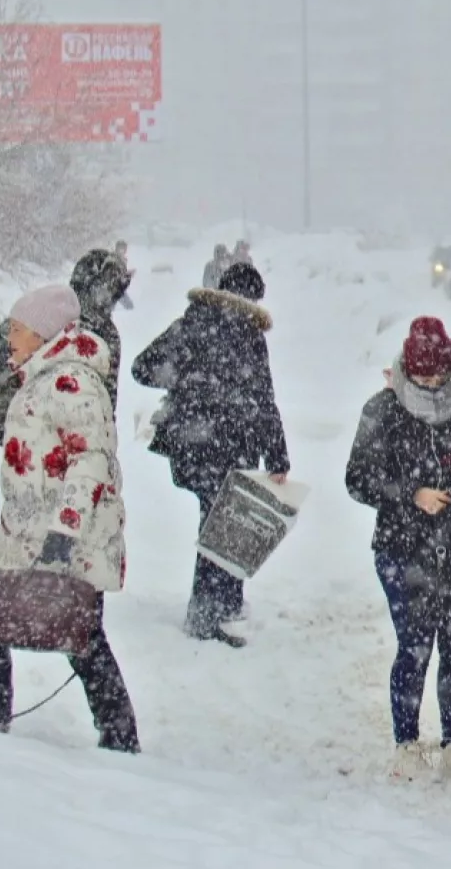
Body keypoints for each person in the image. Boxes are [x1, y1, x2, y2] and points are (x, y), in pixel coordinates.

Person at [0, 284, 139, 753]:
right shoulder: (44, 374)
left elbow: (91, 460)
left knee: (80, 634)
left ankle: (113, 733)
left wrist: (65, 530)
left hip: (61, 531)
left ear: (41, 333)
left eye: (17, 330)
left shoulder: (70, 381)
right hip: (26, 527)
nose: (10, 339)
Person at [345, 317, 451, 784]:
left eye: (440, 376)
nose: (434, 384)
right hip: (404, 548)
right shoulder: (383, 409)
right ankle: (407, 743)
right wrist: (411, 492)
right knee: (415, 646)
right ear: (407, 371)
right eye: (425, 377)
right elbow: (358, 479)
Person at [132, 262, 289, 647]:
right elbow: (264, 399)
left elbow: (142, 368)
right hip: (231, 443)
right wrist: (278, 457)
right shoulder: (250, 334)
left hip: (193, 444)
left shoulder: (192, 321)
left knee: (219, 520)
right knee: (225, 524)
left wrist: (187, 380)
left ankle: (221, 605)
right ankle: (208, 614)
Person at [0, 249, 132, 445]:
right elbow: (106, 407)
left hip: (26, 438)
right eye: (112, 292)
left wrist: (6, 419)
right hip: (61, 446)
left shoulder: (33, 319)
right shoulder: (96, 333)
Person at [113, 240, 135, 310]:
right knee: (129, 306)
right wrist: (128, 275)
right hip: (114, 288)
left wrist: (128, 274)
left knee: (129, 306)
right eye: (123, 248)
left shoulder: (123, 259)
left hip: (119, 288)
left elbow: (121, 273)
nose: (125, 251)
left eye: (125, 249)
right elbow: (115, 273)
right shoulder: (114, 258)